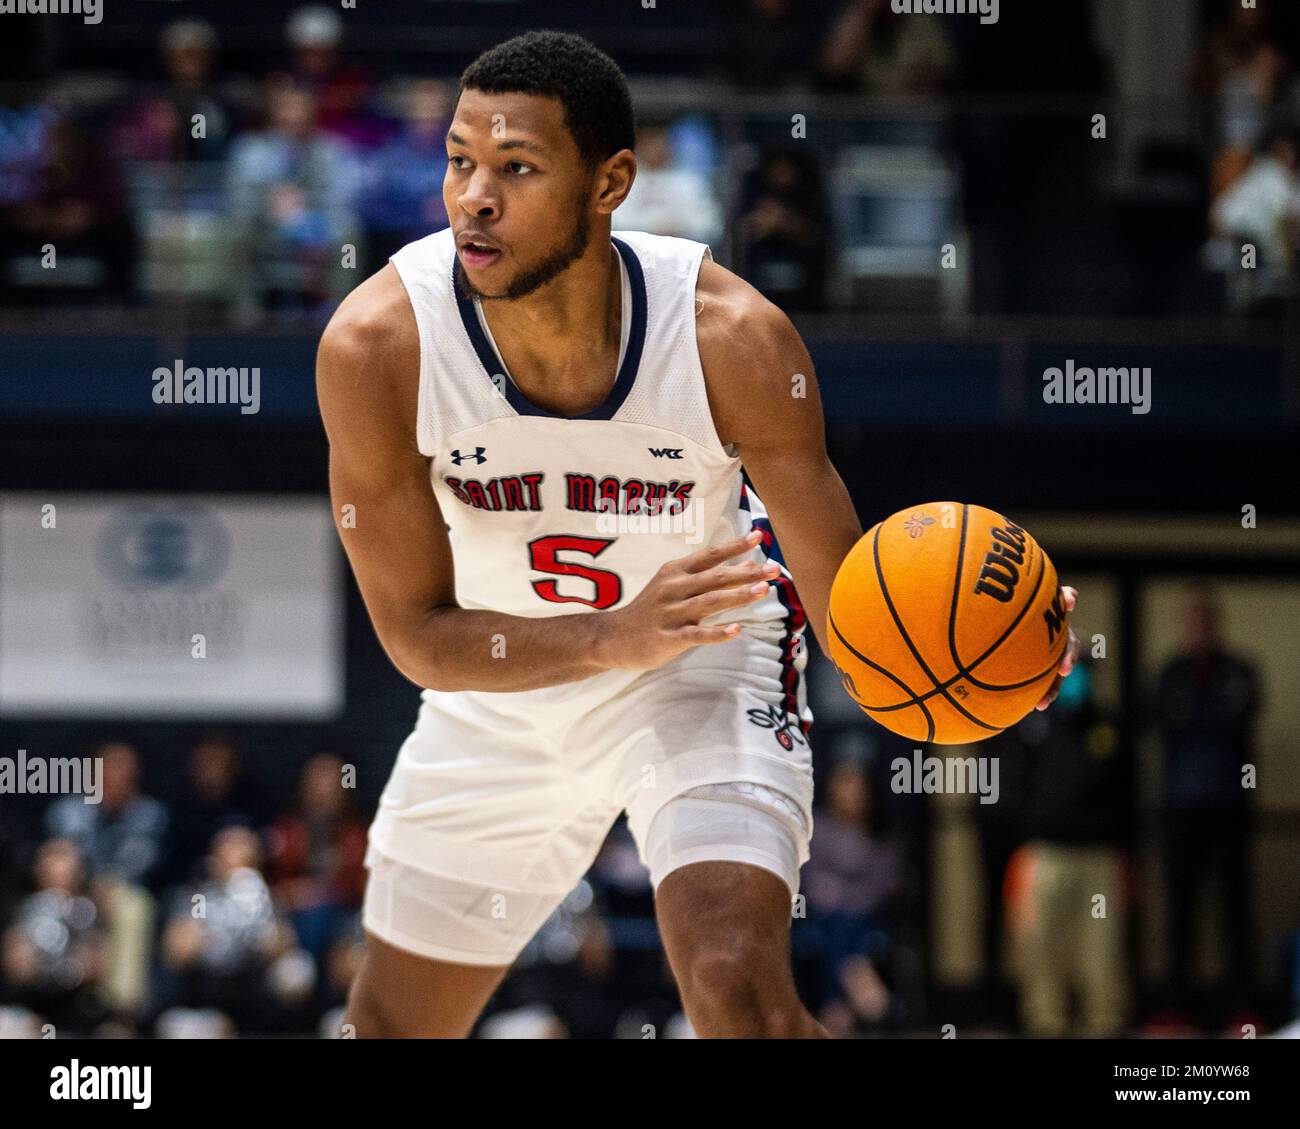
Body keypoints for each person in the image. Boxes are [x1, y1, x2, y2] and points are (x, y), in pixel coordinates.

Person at [316, 30, 1079, 1039]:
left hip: (702, 666)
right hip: (497, 691)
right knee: (388, 1028)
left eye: (517, 168)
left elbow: (853, 605)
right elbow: (415, 633)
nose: (473, 198)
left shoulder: (732, 338)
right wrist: (604, 638)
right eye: (460, 161)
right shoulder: (377, 347)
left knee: (735, 995)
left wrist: (990, 652)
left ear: (609, 182)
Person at [1155, 586, 1260, 1025]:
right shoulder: (1171, 672)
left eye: (1205, 622)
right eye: (1191, 622)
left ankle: (1242, 1009)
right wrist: (1203, 717)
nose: (1198, 630)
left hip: (1227, 808)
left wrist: (1196, 716)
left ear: (1217, 626)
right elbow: (1160, 722)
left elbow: (1235, 720)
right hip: (1180, 809)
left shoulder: (1239, 670)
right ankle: (1177, 1010)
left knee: (1234, 912)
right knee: (1180, 911)